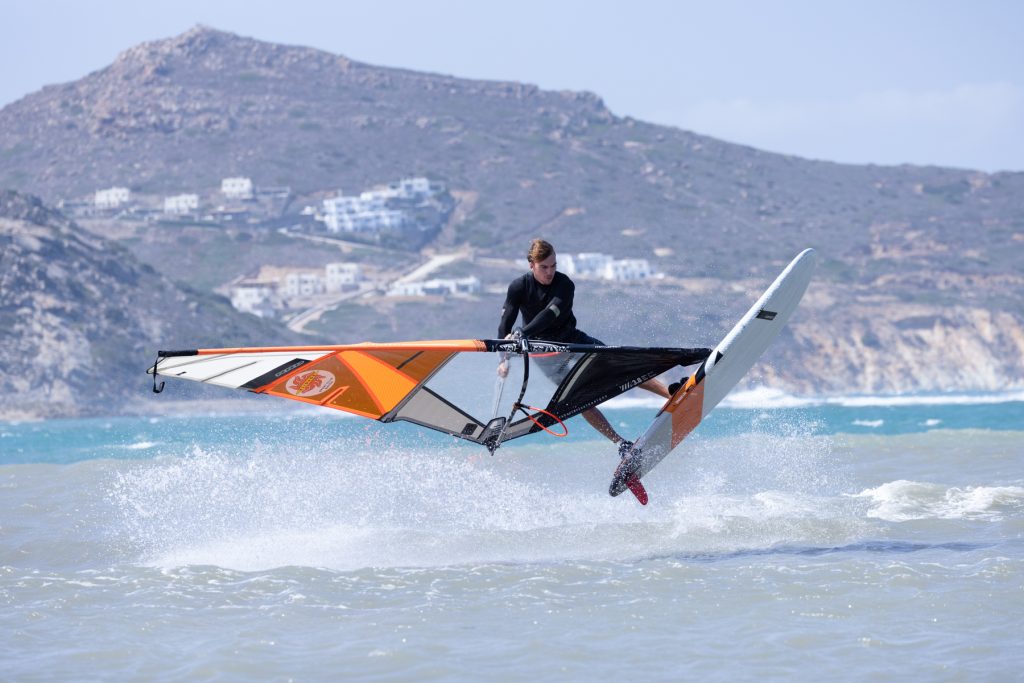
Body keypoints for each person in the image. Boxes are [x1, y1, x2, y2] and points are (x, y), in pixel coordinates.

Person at [497, 239, 671, 455]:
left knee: (620, 365)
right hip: (545, 355)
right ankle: (621, 444)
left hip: (572, 341)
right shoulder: (518, 287)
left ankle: (671, 396)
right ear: (531, 265)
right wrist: (503, 359)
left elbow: (548, 315)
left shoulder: (564, 285)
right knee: (578, 398)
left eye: (553, 266)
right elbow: (504, 325)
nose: (550, 272)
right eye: (544, 267)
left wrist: (523, 333)